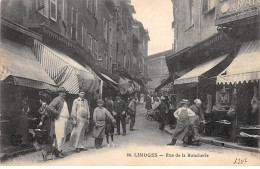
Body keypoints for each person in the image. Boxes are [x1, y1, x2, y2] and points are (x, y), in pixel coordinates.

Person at [46, 86, 69, 158]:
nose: (64, 94)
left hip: (65, 119)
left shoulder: (64, 100)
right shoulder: (57, 99)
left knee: (64, 136)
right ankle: (57, 152)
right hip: (60, 119)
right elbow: (49, 107)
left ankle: (60, 150)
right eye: (62, 92)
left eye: (64, 92)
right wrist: (56, 113)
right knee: (60, 136)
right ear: (59, 93)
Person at [37, 93, 57, 160]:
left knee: (45, 138)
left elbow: (43, 115)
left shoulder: (44, 107)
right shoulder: (49, 107)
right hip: (50, 123)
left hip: (46, 123)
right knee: (49, 138)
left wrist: (41, 122)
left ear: (41, 100)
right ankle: (49, 153)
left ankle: (45, 153)